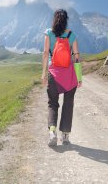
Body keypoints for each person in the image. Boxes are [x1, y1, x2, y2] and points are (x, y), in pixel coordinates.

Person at [41, 9, 81, 146]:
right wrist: (79, 77)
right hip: (69, 75)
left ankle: (52, 132)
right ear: (66, 20)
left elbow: (46, 53)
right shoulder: (71, 35)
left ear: (54, 20)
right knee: (68, 103)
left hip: (54, 74)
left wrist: (43, 73)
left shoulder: (48, 33)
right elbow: (76, 57)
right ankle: (65, 136)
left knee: (52, 103)